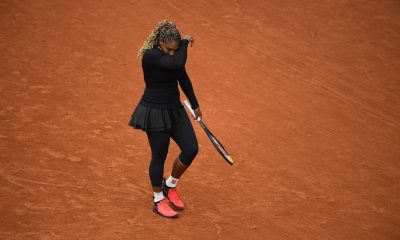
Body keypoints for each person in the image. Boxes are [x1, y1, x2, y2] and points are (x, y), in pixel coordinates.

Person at [128, 20, 202, 218]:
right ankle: (158, 199)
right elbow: (177, 63)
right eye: (169, 49)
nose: (172, 52)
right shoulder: (151, 56)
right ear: (160, 42)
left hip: (175, 109)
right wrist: (185, 42)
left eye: (175, 49)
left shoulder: (173, 56)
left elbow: (183, 78)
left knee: (191, 148)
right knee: (159, 156)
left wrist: (195, 105)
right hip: (155, 112)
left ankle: (170, 185)